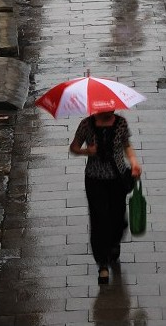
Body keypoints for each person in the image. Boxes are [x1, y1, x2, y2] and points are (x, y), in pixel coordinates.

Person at [69, 109, 142, 285]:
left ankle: (114, 243)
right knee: (99, 219)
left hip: (117, 178)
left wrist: (133, 162)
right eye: (106, 108)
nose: (110, 111)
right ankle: (102, 264)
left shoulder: (121, 123)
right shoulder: (86, 124)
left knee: (118, 218)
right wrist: (88, 151)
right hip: (95, 180)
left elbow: (126, 145)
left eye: (112, 108)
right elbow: (74, 147)